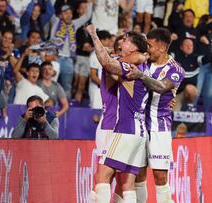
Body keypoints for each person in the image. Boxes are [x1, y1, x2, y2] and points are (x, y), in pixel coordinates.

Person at [86, 24, 149, 203]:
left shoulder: (130, 66)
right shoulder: (143, 67)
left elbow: (107, 62)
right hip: (133, 130)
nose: (124, 43)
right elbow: (111, 65)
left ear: (134, 48)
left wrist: (94, 35)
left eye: (127, 41)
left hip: (124, 128)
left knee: (104, 176)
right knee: (125, 183)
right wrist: (142, 55)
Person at [125, 28, 185, 203]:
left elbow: (161, 86)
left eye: (150, 45)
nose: (147, 49)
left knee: (160, 177)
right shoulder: (144, 63)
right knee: (139, 176)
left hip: (159, 128)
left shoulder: (175, 69)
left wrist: (141, 76)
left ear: (162, 47)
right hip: (139, 126)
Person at [50, 3, 92, 98]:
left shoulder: (74, 24)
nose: (68, 15)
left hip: (68, 59)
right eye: (65, 13)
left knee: (67, 85)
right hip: (56, 58)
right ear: (61, 15)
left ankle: (66, 107)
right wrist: (52, 54)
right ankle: (52, 105)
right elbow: (51, 40)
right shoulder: (56, 22)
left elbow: (87, 16)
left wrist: (90, 3)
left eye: (70, 13)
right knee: (52, 82)